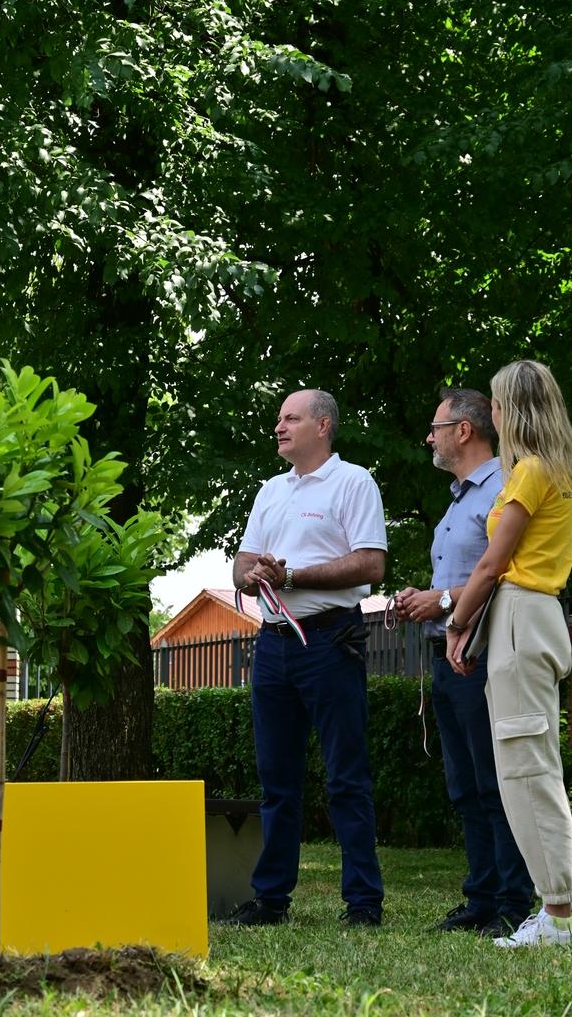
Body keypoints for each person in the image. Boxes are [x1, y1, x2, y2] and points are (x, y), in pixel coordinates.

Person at [226, 388, 387, 927]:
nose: (279, 426)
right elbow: (241, 564)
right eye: (279, 418)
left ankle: (362, 902)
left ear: (323, 425)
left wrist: (291, 575)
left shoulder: (354, 482)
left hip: (329, 640)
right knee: (276, 780)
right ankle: (271, 900)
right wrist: (251, 575)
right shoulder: (270, 490)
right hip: (272, 642)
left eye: (290, 418)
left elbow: (371, 564)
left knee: (346, 777)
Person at [446, 360, 572, 948]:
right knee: (529, 767)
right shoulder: (552, 470)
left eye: (497, 404)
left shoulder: (530, 472)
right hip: (530, 618)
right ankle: (555, 911)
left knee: (527, 770)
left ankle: (558, 916)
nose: (493, 414)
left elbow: (491, 563)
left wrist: (457, 624)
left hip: (521, 618)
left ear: (513, 409)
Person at [395, 389, 533, 938]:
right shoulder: (458, 499)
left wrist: (444, 602)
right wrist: (424, 599)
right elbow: (463, 580)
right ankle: (481, 897)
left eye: (436, 428)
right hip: (448, 658)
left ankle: (512, 902)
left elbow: (502, 572)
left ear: (464, 430)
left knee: (495, 783)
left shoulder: (503, 490)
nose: (429, 437)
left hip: (483, 656)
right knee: (465, 786)